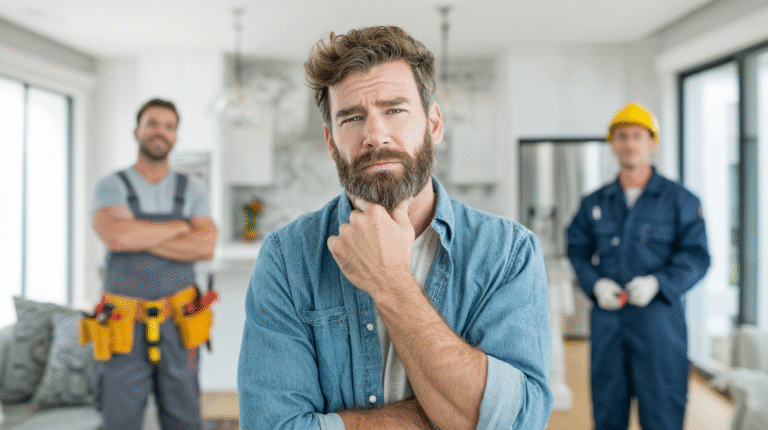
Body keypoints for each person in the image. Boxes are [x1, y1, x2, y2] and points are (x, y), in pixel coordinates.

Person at [237, 26, 552, 429]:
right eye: (352, 117)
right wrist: (440, 417)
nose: (375, 135)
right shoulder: (287, 256)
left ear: (433, 124)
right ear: (331, 142)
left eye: (394, 110)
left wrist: (390, 282)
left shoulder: (508, 252)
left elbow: (518, 422)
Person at [567, 102, 711, 430]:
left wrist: (659, 283)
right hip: (608, 321)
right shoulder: (595, 202)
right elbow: (576, 249)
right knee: (607, 408)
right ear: (612, 144)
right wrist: (595, 284)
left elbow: (697, 257)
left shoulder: (681, 200)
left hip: (659, 322)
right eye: (621, 136)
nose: (629, 143)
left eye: (637, 136)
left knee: (662, 409)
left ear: (652, 143)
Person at [89, 98, 218, 430]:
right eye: (153, 123)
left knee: (185, 418)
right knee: (119, 420)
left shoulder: (193, 189)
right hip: (122, 325)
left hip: (179, 323)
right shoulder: (109, 186)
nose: (160, 131)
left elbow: (206, 246)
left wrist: (138, 232)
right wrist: (180, 226)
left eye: (169, 126)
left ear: (175, 136)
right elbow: (117, 239)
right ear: (137, 130)